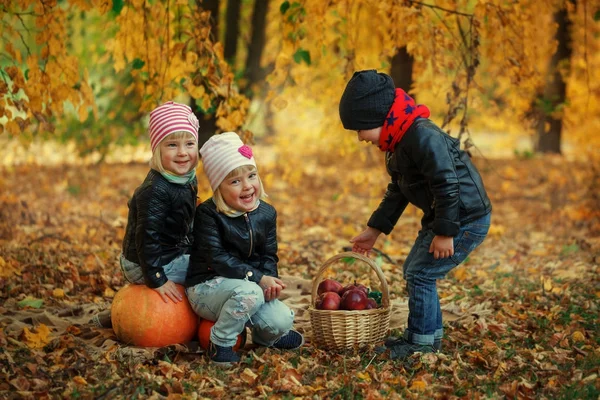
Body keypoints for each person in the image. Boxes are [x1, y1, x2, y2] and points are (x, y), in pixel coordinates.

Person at [338, 70, 492, 359]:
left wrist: (446, 232)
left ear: (379, 119)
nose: (359, 137)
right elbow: (398, 191)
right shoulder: (397, 142)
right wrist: (374, 230)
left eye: (360, 129)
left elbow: (448, 183)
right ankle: (424, 336)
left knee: (420, 273)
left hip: (465, 218)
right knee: (415, 270)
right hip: (444, 216)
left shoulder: (421, 136)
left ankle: (421, 345)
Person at [186, 132, 303, 367]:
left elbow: (268, 255)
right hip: (207, 287)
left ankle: (264, 338)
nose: (247, 186)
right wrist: (257, 279)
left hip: (250, 288)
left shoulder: (266, 213)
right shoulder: (208, 214)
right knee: (251, 294)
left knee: (281, 320)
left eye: (251, 176)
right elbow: (217, 258)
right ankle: (220, 343)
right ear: (219, 187)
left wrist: (270, 280)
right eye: (235, 181)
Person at [91, 101, 199, 328]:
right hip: (144, 263)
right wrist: (157, 278)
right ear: (157, 149)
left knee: (214, 254)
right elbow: (146, 238)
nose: (182, 152)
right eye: (171, 145)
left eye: (189, 143)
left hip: (170, 251)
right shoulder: (154, 191)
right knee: (209, 270)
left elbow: (186, 222)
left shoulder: (187, 179)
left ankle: (121, 314)